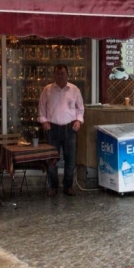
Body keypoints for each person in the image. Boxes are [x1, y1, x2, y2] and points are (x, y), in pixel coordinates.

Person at [38, 64, 84, 197]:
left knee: (70, 158)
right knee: (52, 158)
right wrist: (44, 121)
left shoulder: (74, 90)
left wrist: (78, 121)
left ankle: (68, 186)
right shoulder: (47, 90)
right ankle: (53, 186)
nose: (60, 76)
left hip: (70, 127)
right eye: (57, 74)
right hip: (53, 128)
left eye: (63, 73)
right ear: (54, 75)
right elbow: (41, 109)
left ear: (67, 74)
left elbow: (80, 108)